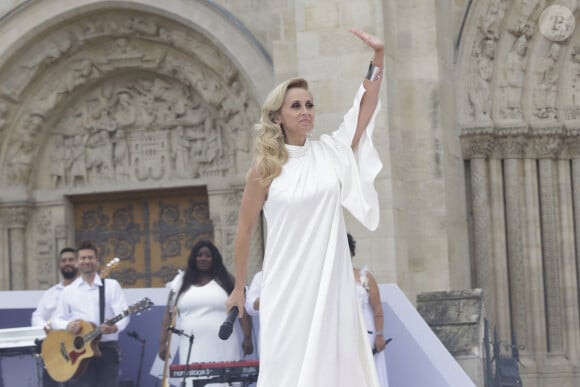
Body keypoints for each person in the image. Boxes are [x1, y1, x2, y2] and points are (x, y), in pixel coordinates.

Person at [226, 28, 384, 387]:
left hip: (329, 283)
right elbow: (244, 230)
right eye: (296, 106)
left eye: (309, 105)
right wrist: (239, 287)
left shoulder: (331, 152)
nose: (305, 112)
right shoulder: (264, 170)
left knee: (335, 370)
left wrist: (378, 59)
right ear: (278, 116)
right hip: (285, 286)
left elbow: (365, 108)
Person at [158, 240, 253, 387]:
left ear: (214, 258)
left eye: (207, 255)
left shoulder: (227, 280)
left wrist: (247, 338)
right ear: (193, 258)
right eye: (199, 255)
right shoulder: (180, 282)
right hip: (191, 346)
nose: (203, 258)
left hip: (223, 346)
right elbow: (168, 313)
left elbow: (242, 310)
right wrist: (163, 343)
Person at [51, 241, 129, 387]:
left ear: (97, 261)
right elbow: (56, 320)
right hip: (80, 353)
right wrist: (68, 325)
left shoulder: (111, 286)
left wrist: (114, 327)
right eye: (83, 258)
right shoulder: (69, 291)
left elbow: (123, 313)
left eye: (90, 258)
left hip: (106, 349)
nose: (87, 261)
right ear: (77, 262)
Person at [31, 247, 78, 387]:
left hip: (78, 348)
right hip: (54, 351)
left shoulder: (85, 291)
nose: (67, 263)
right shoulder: (50, 293)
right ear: (59, 265)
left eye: (71, 260)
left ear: (78, 263)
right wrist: (46, 329)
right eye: (64, 260)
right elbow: (37, 316)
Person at [349, 233, 389, 386]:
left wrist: (379, 335)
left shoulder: (364, 278)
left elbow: (377, 308)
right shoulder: (329, 279)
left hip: (367, 332)